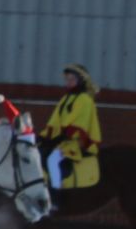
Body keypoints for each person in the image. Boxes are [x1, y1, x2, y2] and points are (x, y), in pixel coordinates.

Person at [42, 62, 101, 193]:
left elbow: (79, 124)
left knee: (52, 160)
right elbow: (55, 121)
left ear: (80, 81)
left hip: (73, 143)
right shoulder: (66, 98)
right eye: (67, 79)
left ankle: (55, 193)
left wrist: (60, 138)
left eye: (72, 79)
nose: (68, 82)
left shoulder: (85, 100)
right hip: (61, 141)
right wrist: (44, 136)